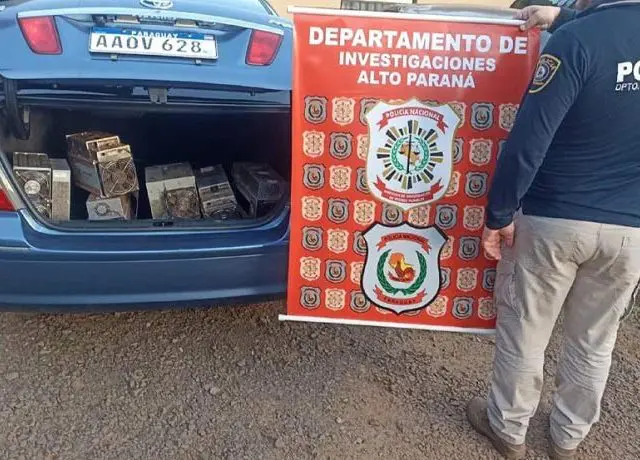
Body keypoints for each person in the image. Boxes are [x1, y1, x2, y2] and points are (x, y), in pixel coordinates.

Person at [465, 1, 640, 459]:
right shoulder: (578, 33)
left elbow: (529, 141)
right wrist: (561, 18)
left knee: (526, 329)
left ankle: (508, 428)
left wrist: (499, 214)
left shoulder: (575, 43)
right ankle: (567, 438)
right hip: (630, 230)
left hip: (554, 218)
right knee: (595, 340)